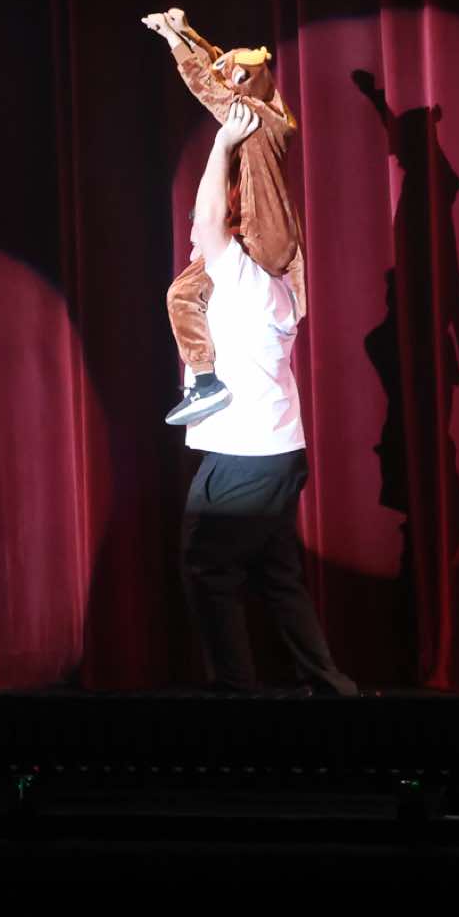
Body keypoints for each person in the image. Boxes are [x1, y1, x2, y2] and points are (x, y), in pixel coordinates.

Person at [177, 103, 356, 695]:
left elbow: (211, 223)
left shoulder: (246, 280)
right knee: (278, 576)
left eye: (199, 225)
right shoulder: (277, 288)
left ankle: (236, 691)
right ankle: (329, 684)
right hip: (276, 453)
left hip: (245, 457)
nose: (193, 233)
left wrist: (224, 143)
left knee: (207, 568)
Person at [142, 6, 306, 426]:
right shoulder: (271, 116)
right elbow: (220, 68)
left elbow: (210, 88)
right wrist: (187, 32)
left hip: (258, 239)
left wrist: (175, 42)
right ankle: (204, 381)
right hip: (269, 238)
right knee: (194, 288)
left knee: (181, 295)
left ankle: (205, 381)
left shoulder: (252, 119)